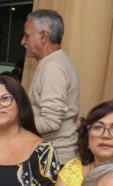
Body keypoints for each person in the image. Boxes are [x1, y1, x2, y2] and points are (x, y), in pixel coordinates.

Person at [22, 9, 80, 163]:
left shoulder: (53, 68)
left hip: (56, 158)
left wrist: (13, 124)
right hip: (50, 154)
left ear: (43, 36)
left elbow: (51, 122)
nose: (23, 41)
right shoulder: (51, 63)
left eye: (27, 35)